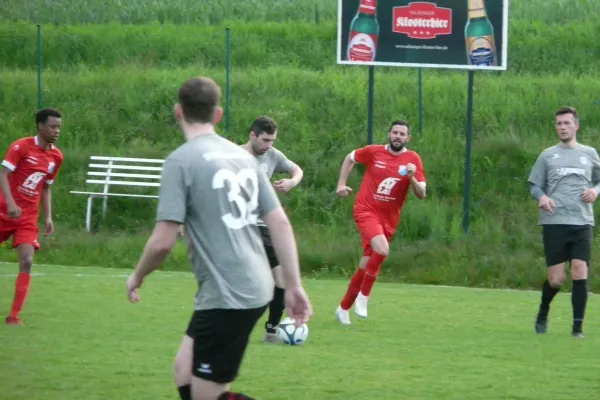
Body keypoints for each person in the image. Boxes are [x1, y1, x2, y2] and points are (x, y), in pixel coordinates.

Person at [125, 76, 312, 400]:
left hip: (231, 293)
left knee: (207, 394)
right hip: (236, 288)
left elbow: (162, 243)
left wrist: (137, 275)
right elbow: (279, 222)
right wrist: (293, 285)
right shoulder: (243, 159)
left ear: (178, 112)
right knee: (184, 370)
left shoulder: (180, 161)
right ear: (219, 114)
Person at [334, 120, 426, 325]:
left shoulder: (413, 159)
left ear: (408, 138)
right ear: (389, 134)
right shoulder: (374, 152)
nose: (398, 136)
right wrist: (341, 183)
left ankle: (343, 308)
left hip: (389, 219)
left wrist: (411, 178)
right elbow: (350, 158)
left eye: (402, 134)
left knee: (366, 264)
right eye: (395, 132)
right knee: (382, 250)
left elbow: (422, 194)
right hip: (366, 211)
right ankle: (363, 297)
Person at [527, 106, 600, 339]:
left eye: (567, 123)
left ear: (576, 126)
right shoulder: (548, 155)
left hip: (582, 221)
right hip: (554, 221)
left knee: (580, 270)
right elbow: (534, 185)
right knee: (556, 279)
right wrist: (542, 197)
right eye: (559, 123)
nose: (562, 127)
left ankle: (577, 330)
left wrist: (596, 191)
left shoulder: (589, 153)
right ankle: (543, 310)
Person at [240, 115, 304, 344]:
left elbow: (297, 170)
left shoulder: (273, 156)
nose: (268, 145)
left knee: (281, 280)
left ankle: (271, 330)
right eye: (265, 140)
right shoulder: (233, 156)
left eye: (272, 140)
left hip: (263, 226)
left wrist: (292, 182)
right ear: (252, 135)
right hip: (238, 226)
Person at [1, 107, 64, 326]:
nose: (57, 131)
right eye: (53, 126)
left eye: (59, 127)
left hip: (27, 217)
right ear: (40, 126)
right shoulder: (21, 146)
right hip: (3, 211)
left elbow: (46, 187)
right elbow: (3, 173)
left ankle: (14, 316)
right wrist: (9, 202)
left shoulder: (56, 156)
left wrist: (48, 217)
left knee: (27, 260)